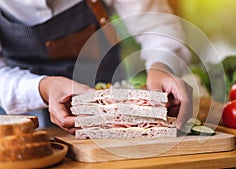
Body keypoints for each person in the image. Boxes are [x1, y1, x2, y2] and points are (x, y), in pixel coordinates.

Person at [0, 0, 193, 134]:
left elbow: (157, 24)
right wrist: (43, 88)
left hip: (118, 118)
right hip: (19, 118)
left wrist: (162, 66)